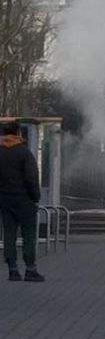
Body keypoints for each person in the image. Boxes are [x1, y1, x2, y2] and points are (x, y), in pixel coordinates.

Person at [0, 120, 43, 282]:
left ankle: (13, 270)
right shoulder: (24, 153)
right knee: (28, 235)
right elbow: (31, 177)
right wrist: (35, 197)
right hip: (24, 199)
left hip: (5, 199)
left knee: (9, 234)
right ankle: (30, 269)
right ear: (18, 133)